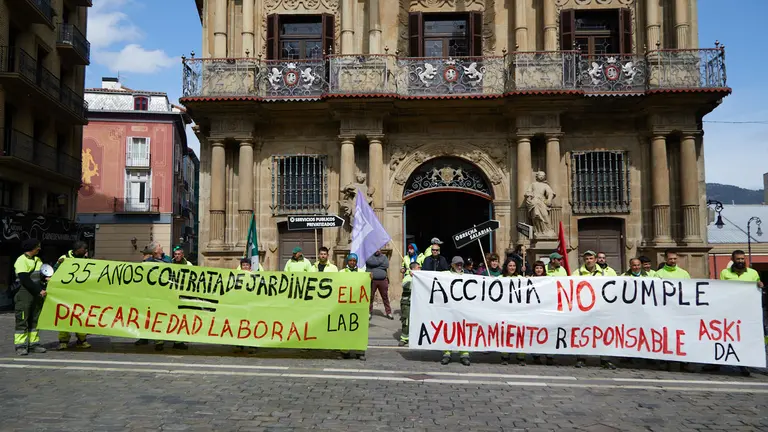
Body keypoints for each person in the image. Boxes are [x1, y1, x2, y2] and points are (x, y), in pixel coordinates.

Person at [711, 250, 762, 377]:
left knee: (744, 338)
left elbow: (758, 286)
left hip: (747, 312)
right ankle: (716, 363)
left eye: (742, 259)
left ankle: (743, 364)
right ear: (732, 259)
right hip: (729, 311)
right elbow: (722, 289)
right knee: (725, 336)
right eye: (738, 259)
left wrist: (760, 285)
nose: (740, 261)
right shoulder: (725, 273)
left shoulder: (753, 273)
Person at [136, 242, 187, 351]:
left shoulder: (168, 260)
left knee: (173, 317)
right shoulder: (148, 262)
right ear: (155, 251)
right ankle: (159, 341)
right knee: (158, 318)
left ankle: (177, 340)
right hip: (156, 295)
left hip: (169, 294)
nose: (162, 247)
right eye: (159, 247)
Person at [571, 250, 616, 370]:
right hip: (583, 309)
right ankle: (581, 358)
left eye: (591, 258)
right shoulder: (577, 273)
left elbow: (615, 287)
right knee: (582, 333)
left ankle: (605, 359)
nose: (589, 261)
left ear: (595, 259)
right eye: (586, 259)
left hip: (601, 309)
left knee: (604, 333)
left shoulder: (605, 273)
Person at [655, 250, 692, 372]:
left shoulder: (684, 273)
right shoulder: (659, 274)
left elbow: (689, 289)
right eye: (671, 259)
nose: (673, 261)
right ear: (665, 259)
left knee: (681, 335)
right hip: (664, 310)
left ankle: (684, 361)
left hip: (679, 310)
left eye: (675, 259)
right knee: (664, 335)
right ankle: (663, 360)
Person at [12, 238, 47, 356]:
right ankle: (20, 346)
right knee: (22, 320)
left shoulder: (38, 260)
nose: (39, 248)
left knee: (35, 320)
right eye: (38, 246)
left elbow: (40, 275)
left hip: (36, 294)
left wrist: (45, 279)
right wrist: (39, 290)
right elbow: (25, 280)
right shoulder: (21, 260)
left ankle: (34, 344)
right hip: (24, 293)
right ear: (32, 248)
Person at [55, 241, 91, 350]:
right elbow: (55, 272)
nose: (86, 251)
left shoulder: (86, 260)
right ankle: (63, 341)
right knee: (64, 316)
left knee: (80, 316)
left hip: (80, 294)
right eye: (84, 249)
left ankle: (82, 340)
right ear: (78, 250)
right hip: (65, 293)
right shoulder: (64, 258)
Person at [440, 256, 471, 366]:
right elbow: (429, 276)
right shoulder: (445, 274)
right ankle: (447, 353)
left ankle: (464, 354)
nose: (459, 265)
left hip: (463, 309)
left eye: (461, 264)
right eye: (457, 264)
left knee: (464, 331)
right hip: (450, 308)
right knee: (448, 331)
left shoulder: (468, 276)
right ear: (452, 265)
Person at [499, 259, 526, 366]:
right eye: (510, 265)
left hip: (518, 311)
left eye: (514, 265)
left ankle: (521, 356)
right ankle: (505, 355)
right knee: (506, 333)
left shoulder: (521, 278)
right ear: (506, 266)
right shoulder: (500, 279)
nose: (512, 267)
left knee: (519, 333)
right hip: (505, 311)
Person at [340, 253, 366, 361]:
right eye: (350, 260)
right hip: (345, 303)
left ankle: (359, 351)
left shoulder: (362, 272)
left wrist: (370, 278)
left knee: (359, 328)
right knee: (345, 328)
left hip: (358, 304)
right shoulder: (341, 272)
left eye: (354, 261)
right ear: (347, 261)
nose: (352, 262)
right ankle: (345, 351)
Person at [531, 260, 555, 365]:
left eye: (540, 268)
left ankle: (549, 355)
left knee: (548, 333)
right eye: (537, 268)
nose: (539, 270)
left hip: (547, 310)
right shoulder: (529, 279)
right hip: (534, 311)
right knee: (536, 333)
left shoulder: (549, 279)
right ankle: (536, 356)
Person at [399, 262, 420, 347]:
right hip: (407, 303)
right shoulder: (407, 277)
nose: (420, 269)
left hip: (417, 303)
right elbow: (405, 287)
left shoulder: (420, 278)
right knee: (406, 320)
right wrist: (413, 278)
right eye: (418, 267)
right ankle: (404, 338)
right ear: (413, 268)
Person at [366, 249, 392, 320]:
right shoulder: (369, 257)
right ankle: (369, 312)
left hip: (383, 280)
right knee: (370, 297)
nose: (377, 250)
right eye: (375, 248)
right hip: (372, 281)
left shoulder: (384, 257)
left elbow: (386, 265)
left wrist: (373, 267)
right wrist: (380, 265)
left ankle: (388, 312)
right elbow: (369, 262)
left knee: (385, 297)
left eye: (378, 248)